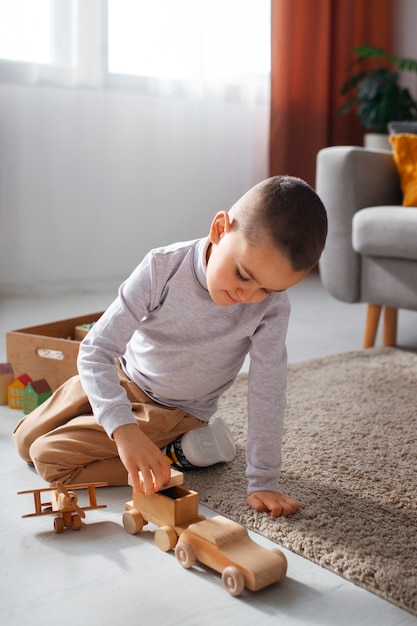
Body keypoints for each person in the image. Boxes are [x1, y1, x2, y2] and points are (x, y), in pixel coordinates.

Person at [13, 175, 327, 517]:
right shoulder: (162, 267)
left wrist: (263, 482)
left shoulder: (271, 309)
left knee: (49, 460)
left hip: (172, 410)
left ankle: (177, 455)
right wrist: (123, 430)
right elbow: (95, 350)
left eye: (267, 289)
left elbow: (268, 391)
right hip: (123, 377)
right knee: (24, 440)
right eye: (243, 275)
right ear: (220, 230)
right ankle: (167, 448)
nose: (248, 297)